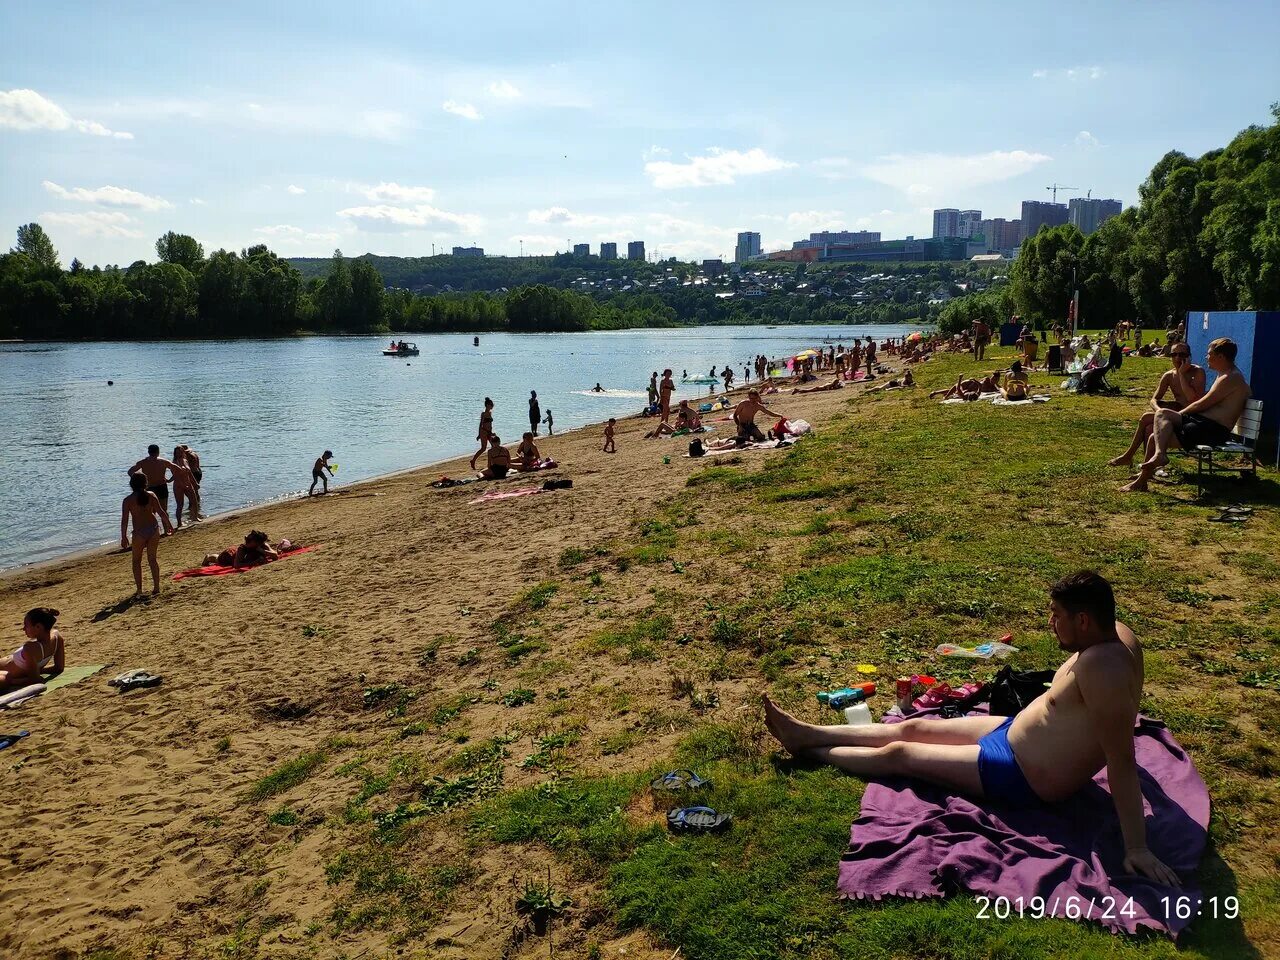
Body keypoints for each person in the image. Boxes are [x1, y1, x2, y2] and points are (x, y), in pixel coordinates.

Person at [764, 571, 1181, 887]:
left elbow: (1121, 758)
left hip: (1025, 774)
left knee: (900, 755)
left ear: (1085, 619)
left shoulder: (1104, 668)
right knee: (914, 728)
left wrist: (1137, 847)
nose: (1051, 624)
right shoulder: (1117, 634)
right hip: (1016, 732)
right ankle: (809, 730)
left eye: (1057, 616)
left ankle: (808, 749)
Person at [1121, 338, 1252, 493]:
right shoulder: (1225, 375)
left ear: (1221, 357)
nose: (1206, 357)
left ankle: (1154, 462)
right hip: (1204, 424)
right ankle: (1145, 476)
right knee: (1155, 430)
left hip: (1213, 430)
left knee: (1161, 420)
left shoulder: (1230, 377)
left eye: (1209, 354)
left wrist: (1179, 415)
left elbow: (1201, 403)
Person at [1108, 345, 1207, 467]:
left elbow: (1193, 399)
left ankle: (1130, 457)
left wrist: (1181, 374)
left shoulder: (1198, 372)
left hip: (1192, 417)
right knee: (1149, 425)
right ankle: (1147, 465)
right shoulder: (1169, 375)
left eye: (1182, 355)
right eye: (1173, 355)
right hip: (1176, 414)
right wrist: (1159, 411)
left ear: (1189, 357)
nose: (1177, 358)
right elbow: (1154, 399)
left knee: (1148, 419)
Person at [121, 472, 172, 596]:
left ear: (131, 484)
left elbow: (125, 520)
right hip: (153, 530)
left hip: (139, 533)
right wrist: (169, 525)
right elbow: (161, 512)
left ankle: (139, 589)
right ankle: (156, 587)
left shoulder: (128, 500)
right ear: (145, 483)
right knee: (152, 560)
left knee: (136, 561)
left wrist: (124, 536)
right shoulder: (151, 495)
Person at [0, 607, 65, 690]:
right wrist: (38, 671)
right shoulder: (57, 637)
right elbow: (58, 668)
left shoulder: (30, 648)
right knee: (5, 678)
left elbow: (34, 680)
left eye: (26, 625)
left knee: (5, 678)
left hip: (5, 671)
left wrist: (13, 681)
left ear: (38, 627)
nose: (23, 629)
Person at [128, 445, 182, 527]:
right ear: (158, 452)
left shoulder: (143, 462)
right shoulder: (163, 461)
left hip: (149, 488)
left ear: (148, 452)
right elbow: (178, 470)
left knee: (150, 511)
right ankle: (166, 529)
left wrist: (139, 481)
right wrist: (170, 480)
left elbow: (130, 471)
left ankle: (153, 528)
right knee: (163, 510)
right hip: (161, 487)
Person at [171, 446, 200, 529]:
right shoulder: (174, 463)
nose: (179, 453)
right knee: (180, 505)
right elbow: (175, 476)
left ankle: (195, 517)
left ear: (183, 452)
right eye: (177, 452)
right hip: (178, 486)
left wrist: (195, 483)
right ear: (175, 453)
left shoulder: (185, 460)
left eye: (180, 451)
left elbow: (190, 474)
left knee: (194, 501)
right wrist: (171, 481)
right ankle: (179, 523)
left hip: (188, 484)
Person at [179, 445, 205, 521]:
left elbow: (188, 468)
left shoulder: (188, 456)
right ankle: (197, 506)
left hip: (193, 474)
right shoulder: (194, 454)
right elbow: (197, 465)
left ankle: (192, 508)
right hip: (198, 472)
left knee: (191, 492)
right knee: (195, 491)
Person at [470, 398, 494, 470]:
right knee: (483, 448)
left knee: (494, 446)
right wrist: (479, 434)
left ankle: (493, 462)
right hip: (484, 431)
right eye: (491, 405)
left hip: (489, 432)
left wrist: (491, 432)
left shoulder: (490, 413)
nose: (492, 406)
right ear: (487, 405)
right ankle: (473, 460)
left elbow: (490, 424)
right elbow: (481, 424)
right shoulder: (483, 413)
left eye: (492, 405)